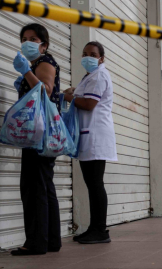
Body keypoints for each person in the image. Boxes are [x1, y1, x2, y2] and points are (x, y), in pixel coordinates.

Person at [11, 23, 62, 256]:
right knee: (44, 186)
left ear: (44, 44)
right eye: (24, 38)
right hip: (43, 132)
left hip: (37, 133)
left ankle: (35, 242)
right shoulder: (39, 64)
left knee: (33, 188)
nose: (27, 42)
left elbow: (46, 91)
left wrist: (26, 73)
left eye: (33, 38)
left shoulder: (44, 63)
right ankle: (50, 240)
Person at [63, 41, 117, 244]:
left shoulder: (100, 75)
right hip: (90, 135)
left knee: (95, 184)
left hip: (96, 136)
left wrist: (68, 96)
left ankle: (100, 231)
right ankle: (94, 228)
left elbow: (89, 103)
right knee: (92, 184)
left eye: (93, 54)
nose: (88, 57)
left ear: (101, 58)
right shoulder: (92, 76)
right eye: (85, 53)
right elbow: (85, 96)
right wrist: (75, 91)